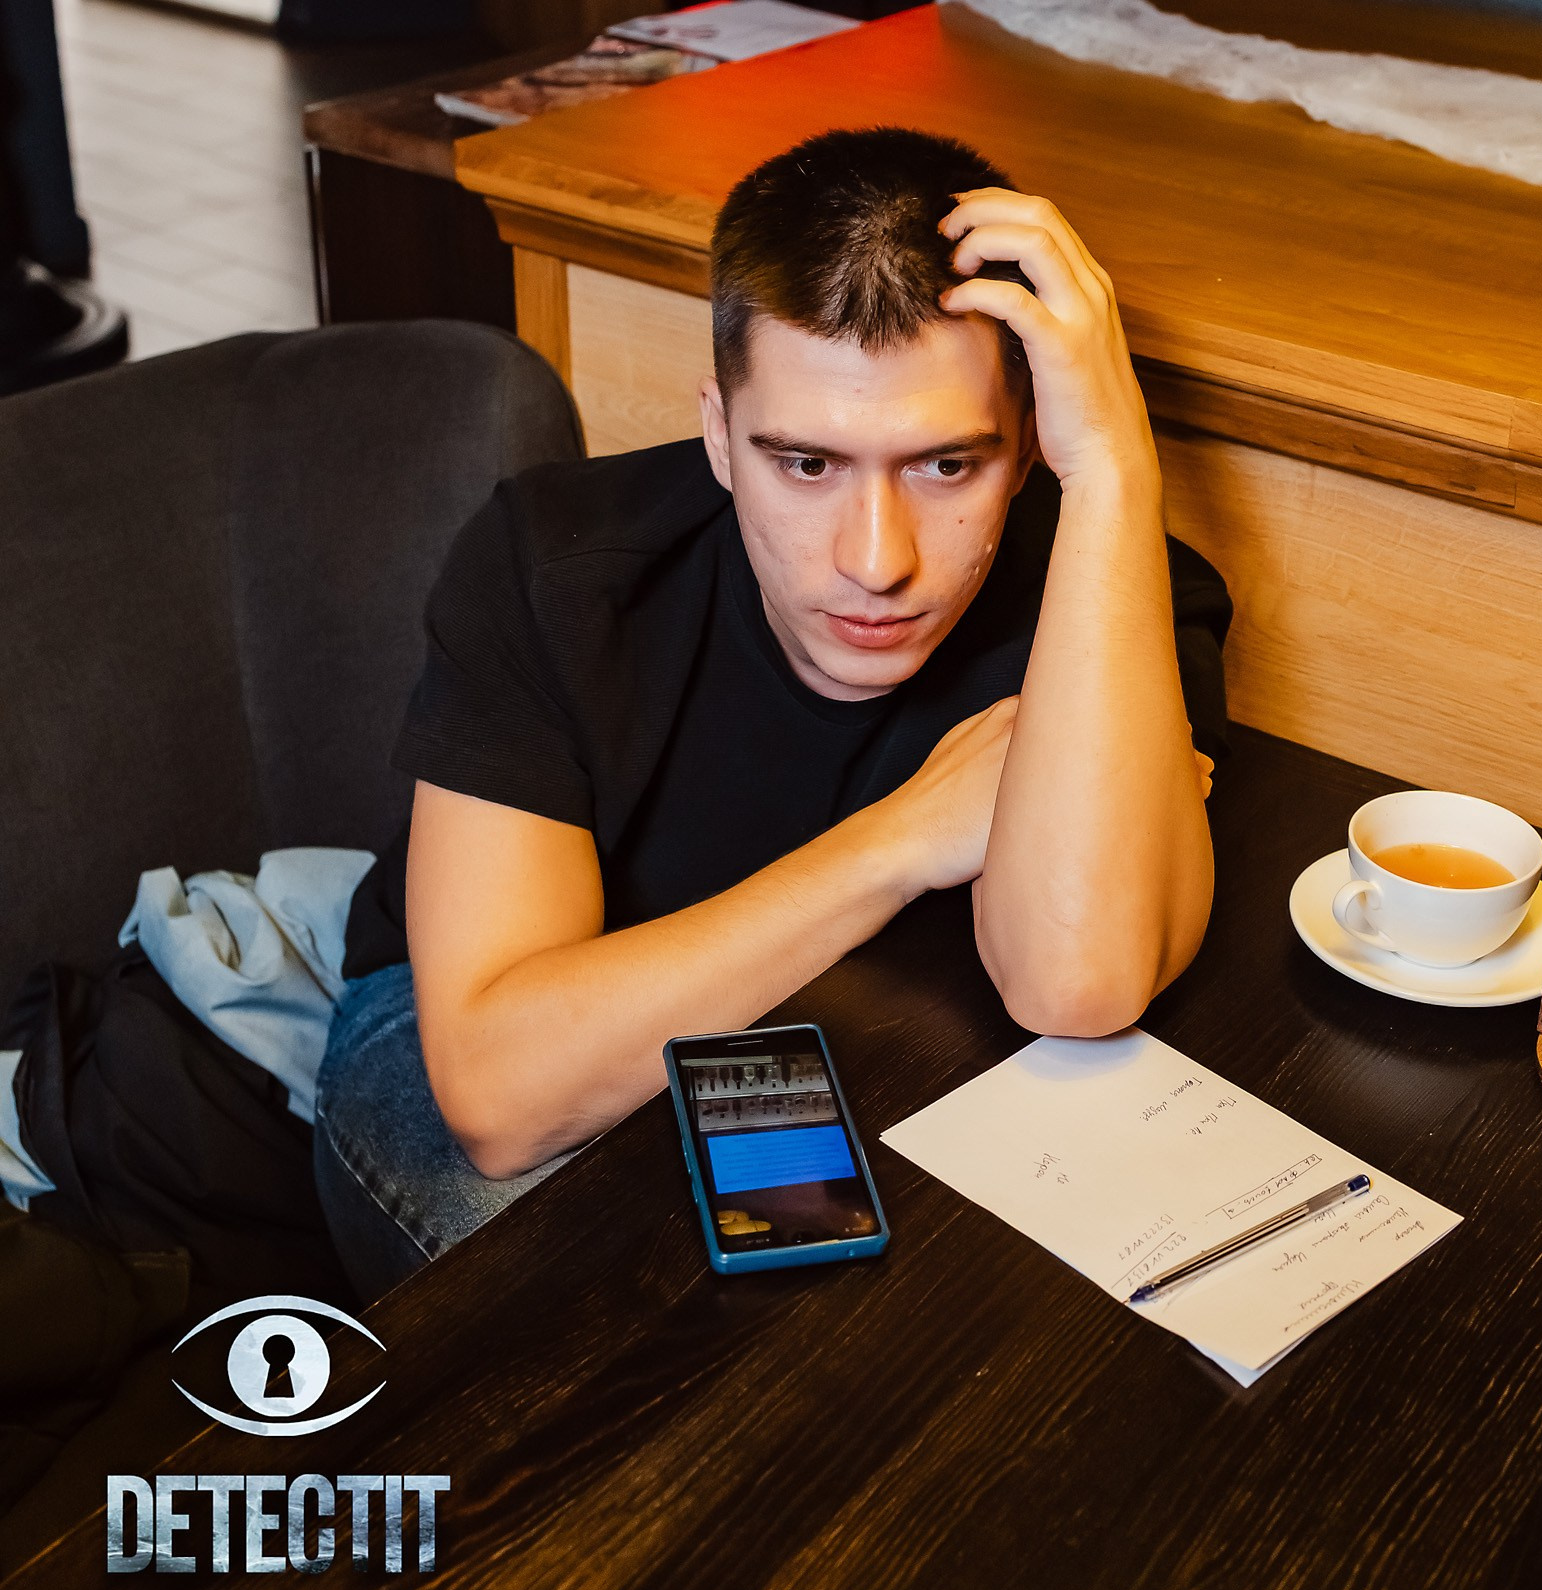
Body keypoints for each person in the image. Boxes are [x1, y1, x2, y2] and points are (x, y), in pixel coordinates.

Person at [315, 127, 1232, 1297]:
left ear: (1024, 452)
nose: (875, 561)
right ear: (717, 433)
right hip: (486, 1020)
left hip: (832, 1033)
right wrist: (906, 839)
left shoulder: (1115, 594)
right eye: (804, 464)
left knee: (872, 1301)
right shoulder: (551, 563)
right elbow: (500, 1092)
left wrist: (1111, 466)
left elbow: (1075, 985)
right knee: (623, 1286)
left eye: (946, 465)